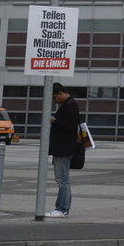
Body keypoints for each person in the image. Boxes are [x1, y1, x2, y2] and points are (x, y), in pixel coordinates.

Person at [46, 83, 81, 218]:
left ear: (60, 93)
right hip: (62, 147)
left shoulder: (70, 105)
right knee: (62, 179)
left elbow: (68, 126)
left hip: (64, 148)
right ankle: (62, 208)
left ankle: (62, 208)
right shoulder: (68, 104)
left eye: (54, 97)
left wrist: (54, 121)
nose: (54, 100)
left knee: (62, 179)